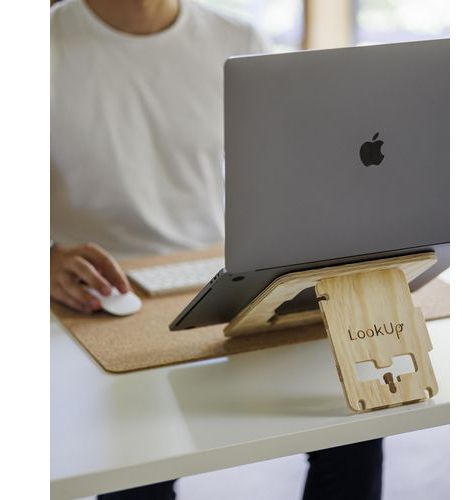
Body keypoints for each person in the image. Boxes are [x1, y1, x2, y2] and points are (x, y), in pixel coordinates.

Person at [50, 1, 383, 498]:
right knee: (135, 475)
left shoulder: (237, 38)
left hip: (220, 277)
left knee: (358, 415)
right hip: (98, 296)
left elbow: (291, 169)